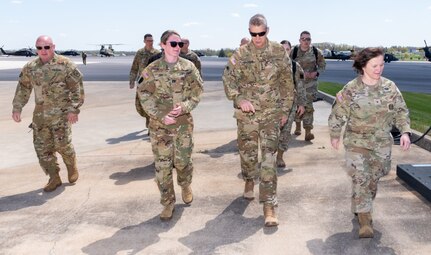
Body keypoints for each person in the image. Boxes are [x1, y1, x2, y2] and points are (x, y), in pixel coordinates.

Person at [328, 47, 411, 238]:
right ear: (363, 66)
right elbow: (337, 113)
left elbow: (401, 111)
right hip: (357, 142)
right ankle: (365, 219)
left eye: (381, 64)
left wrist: (405, 132)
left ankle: (360, 202)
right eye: (375, 65)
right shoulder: (351, 89)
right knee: (361, 177)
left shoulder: (390, 87)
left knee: (373, 179)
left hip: (381, 143)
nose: (379, 69)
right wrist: (334, 134)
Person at [222, 14, 295, 227]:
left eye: (261, 33)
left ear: (267, 30)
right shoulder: (240, 54)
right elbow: (228, 79)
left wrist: (284, 110)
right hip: (247, 116)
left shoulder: (278, 52)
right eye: (253, 34)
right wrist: (239, 98)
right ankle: (248, 179)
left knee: (269, 160)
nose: (257, 38)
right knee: (248, 154)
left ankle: (269, 206)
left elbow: (287, 83)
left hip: (271, 115)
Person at [138, 30, 203, 221]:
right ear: (163, 45)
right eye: (173, 44)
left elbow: (197, 92)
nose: (177, 48)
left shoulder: (189, 67)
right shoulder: (152, 70)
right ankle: (167, 202)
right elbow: (144, 95)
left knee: (183, 161)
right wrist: (160, 115)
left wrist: (185, 106)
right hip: (160, 127)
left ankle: (185, 184)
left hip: (183, 125)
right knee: (163, 166)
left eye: (179, 44)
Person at [12, 35, 84, 192]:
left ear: (53, 47)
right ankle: (54, 177)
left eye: (46, 47)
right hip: (40, 116)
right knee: (42, 149)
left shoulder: (65, 65)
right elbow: (23, 88)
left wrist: (74, 109)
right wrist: (17, 107)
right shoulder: (30, 67)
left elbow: (77, 88)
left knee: (63, 145)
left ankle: (71, 166)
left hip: (62, 115)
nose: (43, 51)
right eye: (39, 47)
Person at [290, 31, 326, 141]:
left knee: (308, 107)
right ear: (299, 40)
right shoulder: (294, 51)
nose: (306, 41)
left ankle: (308, 131)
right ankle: (298, 126)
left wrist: (316, 73)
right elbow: (288, 65)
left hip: (310, 85)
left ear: (311, 40)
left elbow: (322, 65)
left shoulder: (316, 52)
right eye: (303, 39)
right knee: (297, 106)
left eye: (308, 39)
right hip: (297, 84)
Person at [276, 40, 306, 168]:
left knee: (286, 132)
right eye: (281, 49)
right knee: (270, 132)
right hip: (272, 105)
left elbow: (300, 86)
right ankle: (269, 155)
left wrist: (301, 103)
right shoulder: (270, 66)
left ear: (290, 50)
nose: (284, 52)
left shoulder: (295, 66)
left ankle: (279, 156)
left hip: (290, 105)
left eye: (287, 49)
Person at [129, 34, 160, 131]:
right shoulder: (140, 53)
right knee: (139, 105)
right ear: (144, 41)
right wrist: (132, 80)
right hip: (142, 83)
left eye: (152, 40)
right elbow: (134, 68)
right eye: (148, 40)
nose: (150, 42)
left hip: (154, 83)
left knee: (152, 103)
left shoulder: (157, 53)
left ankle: (150, 122)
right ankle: (148, 118)